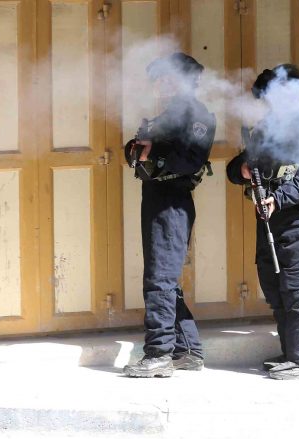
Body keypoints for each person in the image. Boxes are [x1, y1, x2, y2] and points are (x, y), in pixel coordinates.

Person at [226, 64, 299, 380]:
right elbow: (239, 167)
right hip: (270, 221)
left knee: (297, 293)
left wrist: (278, 198)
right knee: (277, 291)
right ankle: (291, 353)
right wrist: (241, 169)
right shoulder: (267, 128)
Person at [123, 52, 216, 378]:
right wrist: (138, 148)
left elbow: (188, 160)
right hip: (158, 199)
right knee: (165, 280)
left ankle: (159, 353)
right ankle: (188, 351)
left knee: (159, 280)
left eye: (166, 78)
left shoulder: (196, 115)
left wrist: (154, 153)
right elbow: (138, 152)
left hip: (172, 203)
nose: (159, 85)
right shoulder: (166, 116)